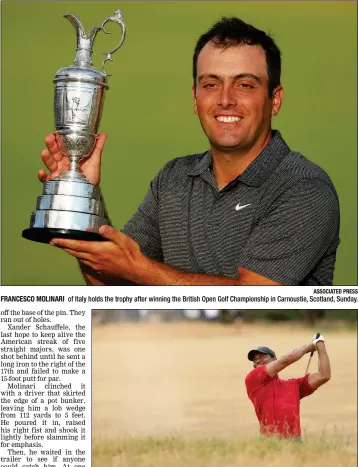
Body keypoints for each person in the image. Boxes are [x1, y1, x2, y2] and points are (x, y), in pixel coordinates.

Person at [39, 17, 340, 286]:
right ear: (195, 99)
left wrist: (141, 269)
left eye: (245, 85)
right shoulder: (173, 179)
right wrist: (82, 200)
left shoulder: (304, 188)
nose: (225, 100)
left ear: (275, 99)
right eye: (211, 84)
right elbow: (112, 284)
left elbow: (254, 298)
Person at [245, 334, 331, 439]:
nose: (258, 361)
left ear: (274, 359)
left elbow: (324, 376)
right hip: (270, 441)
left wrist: (320, 344)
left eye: (262, 356)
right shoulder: (253, 378)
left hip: (295, 441)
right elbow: (287, 359)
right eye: (254, 359)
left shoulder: (293, 385)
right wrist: (309, 347)